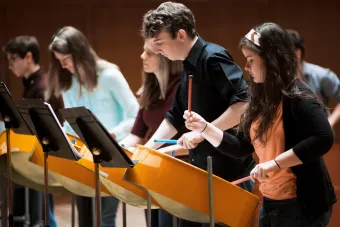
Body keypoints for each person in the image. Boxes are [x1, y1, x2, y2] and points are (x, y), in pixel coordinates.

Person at [183, 22, 336, 227]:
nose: (246, 67)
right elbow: (241, 147)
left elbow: (323, 139)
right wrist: (205, 128)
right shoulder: (259, 98)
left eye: (251, 60)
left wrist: (274, 164)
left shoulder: (298, 97)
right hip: (272, 201)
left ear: (270, 61)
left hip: (301, 204)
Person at [141, 2, 255, 226]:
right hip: (204, 171)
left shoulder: (213, 58)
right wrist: (146, 150)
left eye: (160, 42)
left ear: (181, 34)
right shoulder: (188, 64)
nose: (156, 50)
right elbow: (174, 116)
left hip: (229, 172)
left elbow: (243, 105)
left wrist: (203, 132)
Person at [45, 26, 139, 227]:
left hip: (112, 157)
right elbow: (71, 125)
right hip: (83, 159)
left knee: (105, 219)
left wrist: (111, 134)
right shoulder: (68, 83)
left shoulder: (110, 76)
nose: (63, 66)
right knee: (85, 219)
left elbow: (136, 115)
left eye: (66, 60)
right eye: (59, 62)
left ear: (80, 53)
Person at [120, 39, 183, 227]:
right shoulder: (150, 89)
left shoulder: (181, 87)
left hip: (177, 171)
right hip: (153, 170)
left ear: (164, 57)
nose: (142, 56)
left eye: (148, 53)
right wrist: (113, 149)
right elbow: (136, 135)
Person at [2, 35, 60, 227]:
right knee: (37, 214)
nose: (10, 65)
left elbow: (48, 127)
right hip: (32, 157)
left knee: (42, 215)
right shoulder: (30, 86)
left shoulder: (42, 87)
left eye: (13, 59)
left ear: (28, 57)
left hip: (41, 158)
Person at [287, 29, 340, 128]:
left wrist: (330, 122)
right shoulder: (278, 77)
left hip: (318, 134)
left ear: (297, 53)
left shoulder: (322, 75)